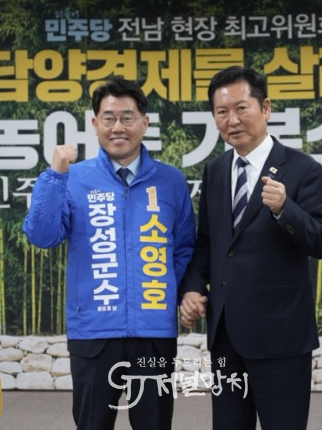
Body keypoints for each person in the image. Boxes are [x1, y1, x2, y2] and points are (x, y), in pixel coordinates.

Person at [23, 77, 195, 430]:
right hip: (94, 331)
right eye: (109, 118)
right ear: (95, 124)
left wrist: (178, 296)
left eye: (127, 118)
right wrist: (55, 175)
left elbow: (183, 249)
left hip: (153, 333)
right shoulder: (73, 177)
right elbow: (41, 236)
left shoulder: (171, 181)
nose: (118, 127)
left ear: (144, 123)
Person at [179, 66, 322, 430]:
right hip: (226, 334)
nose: (232, 120)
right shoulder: (216, 170)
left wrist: (285, 210)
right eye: (222, 112)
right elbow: (209, 243)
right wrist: (192, 288)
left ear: (265, 108)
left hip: (280, 337)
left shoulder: (303, 169)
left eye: (241, 108)